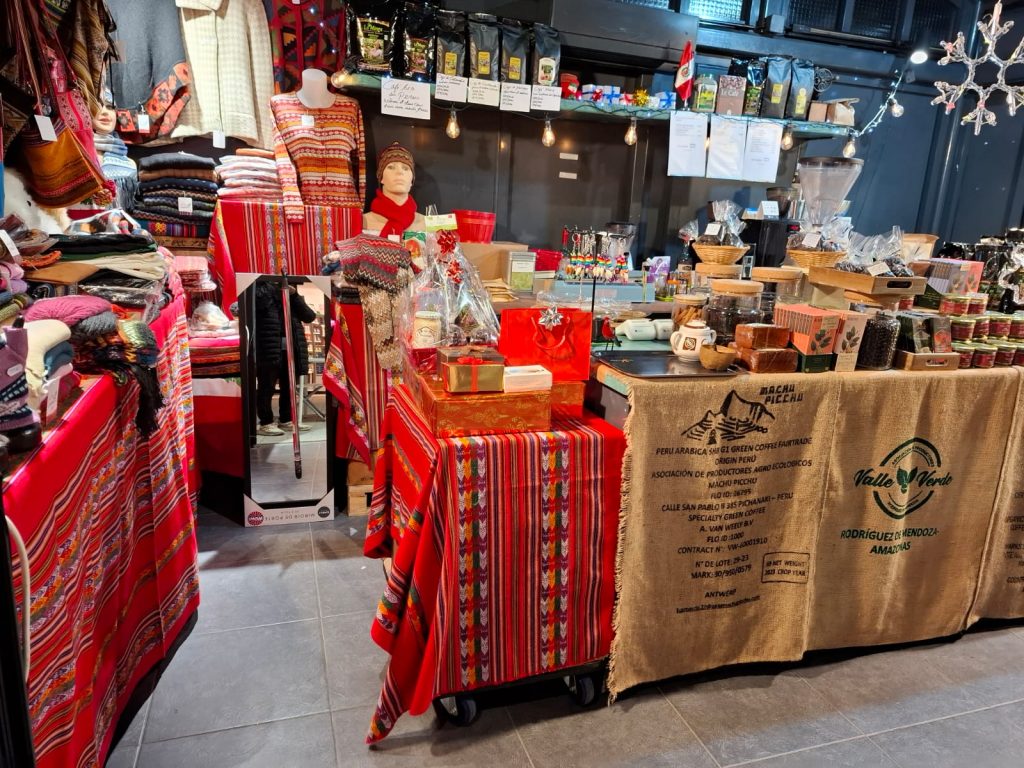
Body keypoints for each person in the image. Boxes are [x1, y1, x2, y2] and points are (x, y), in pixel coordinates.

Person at [253, 280, 317, 436]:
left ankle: (286, 419)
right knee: (267, 386)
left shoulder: (291, 297)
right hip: (269, 347)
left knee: (289, 386)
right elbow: (259, 306)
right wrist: (273, 289)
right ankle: (266, 422)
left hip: (291, 348)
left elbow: (309, 316)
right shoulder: (261, 291)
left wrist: (294, 296)